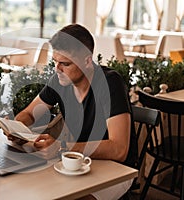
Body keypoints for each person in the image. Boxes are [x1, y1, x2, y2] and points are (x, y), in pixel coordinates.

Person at [11, 24, 138, 200]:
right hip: (76, 162)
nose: (57, 69)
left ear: (87, 61)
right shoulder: (59, 80)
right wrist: (17, 128)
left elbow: (119, 149)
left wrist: (62, 147)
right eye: (55, 61)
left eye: (65, 63)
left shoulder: (109, 83)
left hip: (117, 170)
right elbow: (30, 114)